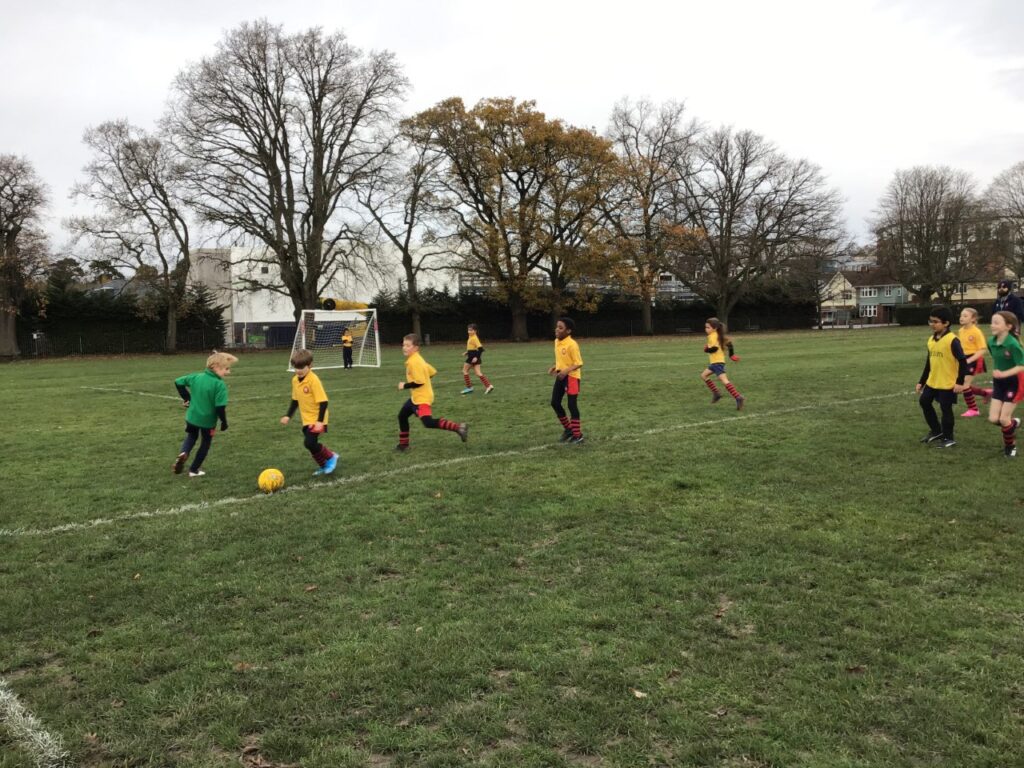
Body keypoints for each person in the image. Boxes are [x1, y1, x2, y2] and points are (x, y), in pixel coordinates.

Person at [396, 333, 468, 451]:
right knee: (402, 416)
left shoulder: (415, 362)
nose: (404, 347)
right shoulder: (417, 359)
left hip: (422, 399)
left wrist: (404, 385)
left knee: (428, 422)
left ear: (416, 348)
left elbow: (419, 382)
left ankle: (459, 427)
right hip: (415, 397)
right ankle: (403, 445)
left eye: (408, 345)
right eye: (404, 345)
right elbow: (432, 372)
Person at [172, 351, 238, 477]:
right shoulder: (219, 385)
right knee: (205, 443)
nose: (228, 372)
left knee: (191, 436)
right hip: (207, 422)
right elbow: (220, 407)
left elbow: (178, 382)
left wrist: (187, 399)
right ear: (215, 367)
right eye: (226, 369)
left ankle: (184, 453)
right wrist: (224, 422)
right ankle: (193, 470)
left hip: (192, 418)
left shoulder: (197, 377)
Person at [916, 306, 969, 449]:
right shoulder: (931, 340)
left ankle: (948, 437)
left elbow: (963, 362)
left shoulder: (953, 340)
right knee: (924, 402)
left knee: (946, 409)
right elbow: (929, 362)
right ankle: (936, 431)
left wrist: (959, 382)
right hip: (933, 381)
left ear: (946, 323)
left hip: (948, 383)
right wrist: (922, 381)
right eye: (930, 321)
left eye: (935, 322)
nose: (932, 324)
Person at [280, 349, 339, 475]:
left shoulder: (313, 380)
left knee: (309, 442)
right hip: (306, 419)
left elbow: (323, 402)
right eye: (296, 367)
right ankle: (323, 466)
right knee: (310, 444)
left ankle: (331, 457)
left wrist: (319, 421)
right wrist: (288, 415)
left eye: (301, 367)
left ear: (310, 365)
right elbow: (295, 400)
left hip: (318, 417)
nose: (298, 370)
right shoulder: (295, 380)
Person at [986, 310, 1024, 458]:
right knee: (994, 419)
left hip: (1014, 382)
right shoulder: (991, 342)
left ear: (1008, 326)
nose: (992, 325)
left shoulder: (1013, 344)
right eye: (992, 322)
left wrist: (1004, 373)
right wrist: (999, 374)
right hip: (999, 383)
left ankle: (1011, 447)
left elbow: (1021, 366)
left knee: (1003, 419)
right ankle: (1012, 423)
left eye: (996, 322)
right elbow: (995, 357)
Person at [549, 317, 585, 444]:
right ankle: (568, 429)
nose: (557, 330)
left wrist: (565, 371)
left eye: (560, 328)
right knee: (554, 402)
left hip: (572, 377)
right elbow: (562, 359)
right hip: (561, 376)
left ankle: (578, 435)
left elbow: (579, 363)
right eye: (557, 327)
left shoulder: (572, 345)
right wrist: (555, 367)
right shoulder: (556, 341)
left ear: (568, 331)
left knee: (571, 405)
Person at [700, 317, 744, 410]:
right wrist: (731, 355)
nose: (706, 329)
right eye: (705, 327)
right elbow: (729, 343)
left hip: (717, 363)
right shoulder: (717, 335)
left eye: (708, 327)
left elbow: (714, 349)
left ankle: (738, 397)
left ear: (714, 328)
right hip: (715, 363)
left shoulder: (713, 336)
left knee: (725, 381)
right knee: (704, 375)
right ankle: (716, 393)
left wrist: (706, 349)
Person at [958, 307, 988, 417]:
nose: (962, 318)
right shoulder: (961, 330)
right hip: (964, 359)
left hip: (974, 359)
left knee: (964, 384)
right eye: (961, 315)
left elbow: (983, 349)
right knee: (962, 384)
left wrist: (970, 359)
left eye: (965, 316)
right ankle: (986, 393)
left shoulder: (976, 332)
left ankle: (974, 409)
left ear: (973, 319)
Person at [461, 323, 494, 395]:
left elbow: (481, 349)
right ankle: (488, 386)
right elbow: (473, 348)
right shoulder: (471, 337)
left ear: (475, 331)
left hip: (472, 358)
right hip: (473, 357)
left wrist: (476, 357)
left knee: (464, 371)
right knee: (478, 373)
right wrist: (467, 352)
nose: (469, 331)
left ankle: (469, 388)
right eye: (468, 330)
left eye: (471, 330)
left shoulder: (474, 338)